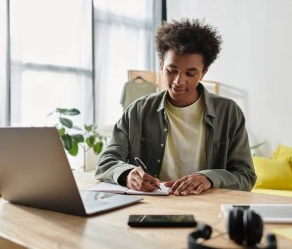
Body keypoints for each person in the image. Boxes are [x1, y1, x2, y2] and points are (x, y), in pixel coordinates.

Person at [95, 19, 256, 196]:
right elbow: (106, 161)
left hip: (206, 207)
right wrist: (126, 173)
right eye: (171, 70)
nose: (179, 81)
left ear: (204, 71)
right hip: (150, 205)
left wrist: (210, 178)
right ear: (161, 65)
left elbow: (245, 176)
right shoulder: (138, 110)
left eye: (190, 73)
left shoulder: (228, 112)